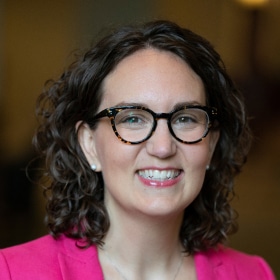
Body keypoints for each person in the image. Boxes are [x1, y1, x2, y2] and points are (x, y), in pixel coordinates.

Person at [0, 20, 276, 280]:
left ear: (211, 144)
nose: (163, 147)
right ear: (89, 144)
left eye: (185, 118)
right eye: (132, 118)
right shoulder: (13, 272)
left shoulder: (253, 273)